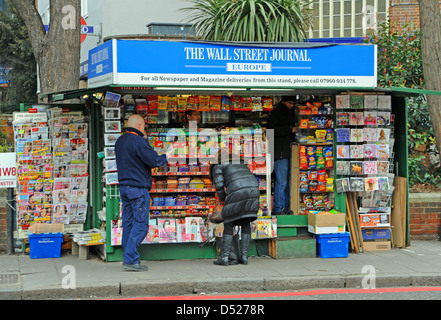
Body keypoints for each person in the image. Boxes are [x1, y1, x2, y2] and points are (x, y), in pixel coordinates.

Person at [115, 114, 174, 271]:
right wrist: (166, 156)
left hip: (124, 187)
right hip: (138, 189)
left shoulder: (120, 141)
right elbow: (153, 161)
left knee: (128, 222)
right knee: (141, 224)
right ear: (140, 126)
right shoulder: (139, 141)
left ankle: (127, 255)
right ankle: (130, 259)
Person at [209, 149, 259, 266]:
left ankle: (225, 258)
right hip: (254, 191)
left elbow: (219, 186)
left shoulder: (219, 165)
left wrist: (223, 200)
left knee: (228, 222)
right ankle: (244, 257)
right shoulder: (241, 162)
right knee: (245, 221)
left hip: (238, 192)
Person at [267, 96, 297, 215]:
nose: (292, 105)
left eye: (293, 103)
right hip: (279, 152)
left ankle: (285, 207)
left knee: (288, 181)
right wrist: (290, 129)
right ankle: (279, 209)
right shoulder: (277, 113)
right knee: (282, 182)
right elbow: (271, 130)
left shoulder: (289, 113)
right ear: (283, 102)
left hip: (286, 152)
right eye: (290, 103)